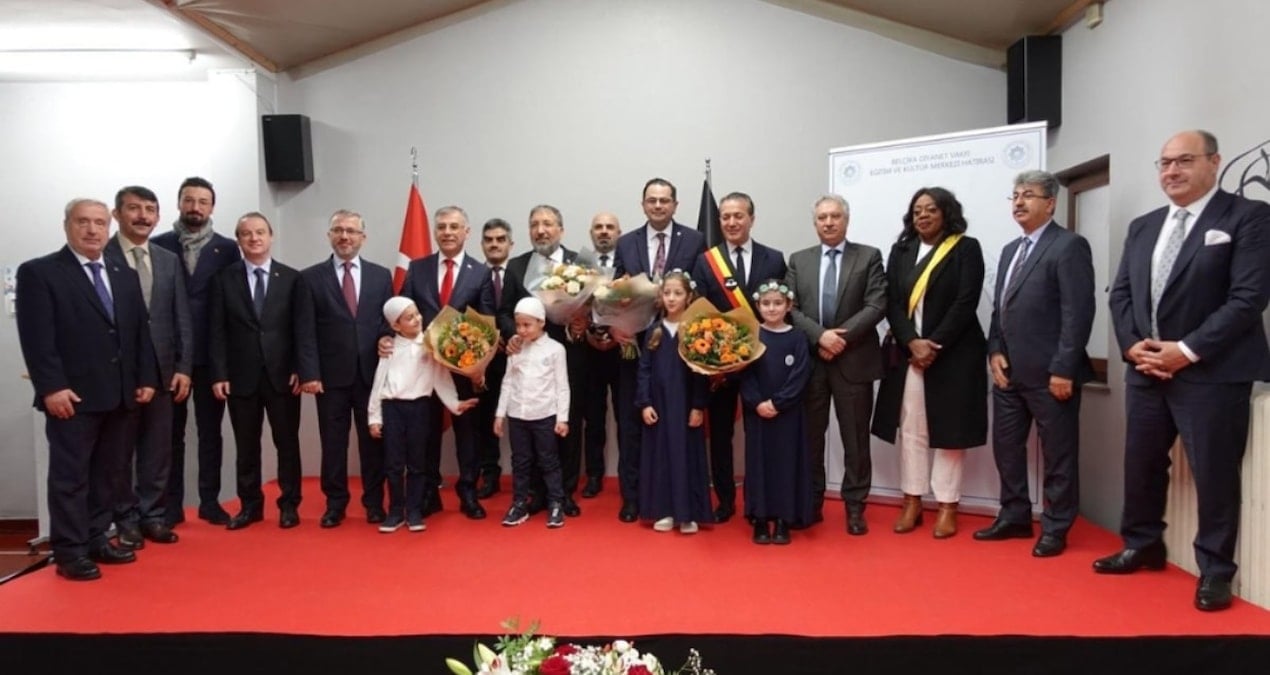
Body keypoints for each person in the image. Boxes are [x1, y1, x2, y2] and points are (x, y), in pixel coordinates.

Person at [1096, 130, 1270, 612]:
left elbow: (1248, 299)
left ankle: (1215, 570)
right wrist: (1132, 346)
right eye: (1165, 163)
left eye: (1184, 161)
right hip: (1146, 369)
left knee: (1215, 474)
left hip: (1212, 372)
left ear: (1214, 162)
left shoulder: (1248, 216)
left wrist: (1187, 350)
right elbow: (1121, 294)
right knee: (1142, 465)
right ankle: (1142, 544)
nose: (1171, 171)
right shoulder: (1145, 225)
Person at [17, 198, 158, 580]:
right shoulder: (40, 273)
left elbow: (138, 332)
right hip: (72, 397)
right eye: (83, 222)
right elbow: (37, 339)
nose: (92, 230)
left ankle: (97, 538)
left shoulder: (123, 273)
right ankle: (69, 551)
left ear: (109, 227)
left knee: (109, 474)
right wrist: (52, 388)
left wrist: (146, 378)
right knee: (71, 477)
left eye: (99, 222)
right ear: (67, 225)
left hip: (121, 394)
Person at [974, 170, 1094, 558]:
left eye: (1028, 195)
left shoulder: (1069, 246)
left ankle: (1056, 526)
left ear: (1051, 203)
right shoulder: (1011, 249)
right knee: (1006, 449)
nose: (1019, 202)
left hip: (1051, 375)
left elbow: (1078, 313)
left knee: (1059, 455)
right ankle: (1015, 516)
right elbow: (1000, 309)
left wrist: (1064, 368)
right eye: (1014, 196)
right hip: (1008, 373)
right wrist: (994, 350)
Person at [870, 187, 987, 539]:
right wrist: (911, 342)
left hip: (954, 353)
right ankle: (912, 500)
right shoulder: (901, 250)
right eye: (917, 210)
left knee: (950, 431)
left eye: (931, 209)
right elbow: (892, 301)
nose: (922, 215)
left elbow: (966, 302)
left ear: (946, 213)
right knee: (912, 428)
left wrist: (933, 344)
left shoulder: (966, 248)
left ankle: (948, 504)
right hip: (910, 353)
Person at [209, 212, 319, 530]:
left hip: (283, 376)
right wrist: (219, 374)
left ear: (271, 237)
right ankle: (250, 506)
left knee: (287, 443)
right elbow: (216, 331)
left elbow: (302, 328)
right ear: (239, 240)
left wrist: (301, 368)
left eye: (260, 232)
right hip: (240, 377)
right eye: (247, 233)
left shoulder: (292, 278)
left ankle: (289, 505)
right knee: (246, 446)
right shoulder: (223, 279)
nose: (254, 238)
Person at [785, 194, 886, 534]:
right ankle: (811, 503)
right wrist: (821, 337)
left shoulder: (869, 256)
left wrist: (840, 339)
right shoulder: (799, 260)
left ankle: (855, 507)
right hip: (812, 363)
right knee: (811, 439)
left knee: (855, 440)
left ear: (846, 219)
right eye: (822, 217)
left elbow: (876, 305)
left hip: (853, 361)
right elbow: (790, 308)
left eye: (835, 216)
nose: (828, 222)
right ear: (815, 223)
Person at [611, 178, 706, 522]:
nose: (658, 205)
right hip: (634, 345)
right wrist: (615, 324)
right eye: (651, 200)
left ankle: (679, 499)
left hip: (680, 345)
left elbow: (702, 289)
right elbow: (614, 291)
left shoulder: (694, 240)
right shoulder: (626, 242)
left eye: (664, 200)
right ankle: (634, 498)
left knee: (677, 425)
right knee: (632, 423)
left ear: (675, 205)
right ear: (643, 204)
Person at [690, 191, 787, 523]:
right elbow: (700, 315)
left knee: (763, 434)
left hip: (764, 364)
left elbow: (781, 312)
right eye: (725, 217)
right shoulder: (706, 261)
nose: (732, 222)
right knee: (721, 436)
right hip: (722, 366)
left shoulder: (774, 259)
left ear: (751, 219)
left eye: (738, 216)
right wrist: (720, 360)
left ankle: (762, 500)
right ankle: (726, 500)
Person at [395, 206, 496, 519]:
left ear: (467, 231)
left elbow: (487, 322)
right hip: (422, 367)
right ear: (435, 232)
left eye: (454, 226)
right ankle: (428, 494)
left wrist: (478, 367)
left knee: (468, 435)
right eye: (442, 227)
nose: (448, 232)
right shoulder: (418, 267)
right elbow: (403, 310)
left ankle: (468, 493)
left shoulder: (480, 272)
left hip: (463, 367)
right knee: (424, 433)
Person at [105, 186, 192, 548]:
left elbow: (180, 316)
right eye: (134, 208)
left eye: (149, 209)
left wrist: (184, 366)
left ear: (158, 216)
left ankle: (152, 516)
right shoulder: (102, 255)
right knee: (119, 452)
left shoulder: (167, 259)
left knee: (158, 450)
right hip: (119, 372)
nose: (142, 216)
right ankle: (124, 520)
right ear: (117, 214)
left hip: (163, 371)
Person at [151, 177, 241, 527]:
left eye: (203, 202)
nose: (195, 208)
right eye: (189, 200)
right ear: (178, 203)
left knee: (210, 433)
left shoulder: (227, 249)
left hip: (210, 356)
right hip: (168, 358)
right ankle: (170, 505)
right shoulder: (158, 246)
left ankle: (209, 501)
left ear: (212, 207)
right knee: (169, 435)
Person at [300, 210, 394, 528]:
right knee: (333, 443)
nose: (345, 236)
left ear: (363, 238)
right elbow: (305, 330)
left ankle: (374, 503)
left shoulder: (381, 276)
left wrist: (386, 337)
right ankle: (335, 504)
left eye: (351, 231)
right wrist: (310, 373)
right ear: (329, 235)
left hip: (371, 374)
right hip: (330, 378)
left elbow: (387, 322)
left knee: (373, 443)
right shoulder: (311, 278)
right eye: (338, 230)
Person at [496, 205, 585, 517]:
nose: (541, 230)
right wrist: (514, 334)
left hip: (569, 356)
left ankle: (565, 493)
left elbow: (592, 308)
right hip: (527, 361)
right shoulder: (517, 266)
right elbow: (504, 312)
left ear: (561, 229)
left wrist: (582, 323)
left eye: (547, 224)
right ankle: (535, 493)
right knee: (531, 429)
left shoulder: (579, 264)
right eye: (534, 224)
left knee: (567, 424)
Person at [368, 297, 477, 533]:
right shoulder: (389, 347)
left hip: (420, 408)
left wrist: (455, 404)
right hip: (393, 409)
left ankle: (414, 510)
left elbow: (441, 378)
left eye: (417, 314)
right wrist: (374, 417)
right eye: (409, 318)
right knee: (394, 464)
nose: (417, 319)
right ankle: (395, 511)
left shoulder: (430, 344)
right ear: (395, 325)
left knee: (418, 463)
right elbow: (379, 383)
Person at [636, 270, 711, 534]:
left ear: (688, 297)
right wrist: (645, 403)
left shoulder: (696, 331)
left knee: (686, 455)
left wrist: (698, 406)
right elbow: (644, 369)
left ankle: (689, 514)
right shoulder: (653, 331)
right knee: (661, 456)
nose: (671, 298)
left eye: (677, 293)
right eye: (667, 293)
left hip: (685, 406)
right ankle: (664, 510)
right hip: (659, 406)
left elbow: (702, 372)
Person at [739, 280, 813, 545]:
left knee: (786, 462)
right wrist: (757, 402)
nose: (772, 308)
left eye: (778, 303)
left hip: (787, 414)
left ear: (788, 305)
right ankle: (759, 517)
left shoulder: (797, 337)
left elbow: (800, 374)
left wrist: (779, 403)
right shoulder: (751, 335)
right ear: (758, 306)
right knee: (758, 462)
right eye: (766, 303)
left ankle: (783, 517)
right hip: (757, 412)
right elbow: (745, 373)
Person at [495, 297, 570, 529]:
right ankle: (519, 503)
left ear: (542, 322)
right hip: (518, 415)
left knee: (549, 461)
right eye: (518, 325)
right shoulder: (515, 348)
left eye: (527, 325)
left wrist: (562, 418)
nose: (521, 330)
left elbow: (562, 386)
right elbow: (508, 382)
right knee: (520, 462)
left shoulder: (555, 349)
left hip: (544, 415)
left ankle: (556, 503)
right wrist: (500, 414)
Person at [581, 212, 622, 498]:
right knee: (593, 419)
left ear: (619, 233)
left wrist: (620, 331)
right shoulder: (579, 266)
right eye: (598, 227)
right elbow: (572, 306)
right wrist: (585, 331)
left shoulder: (629, 263)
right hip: (589, 352)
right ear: (591, 233)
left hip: (623, 351)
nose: (604, 232)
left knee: (625, 418)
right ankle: (594, 475)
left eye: (609, 227)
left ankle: (630, 477)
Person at [474, 218, 514, 500]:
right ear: (482, 245)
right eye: (489, 240)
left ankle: (530, 476)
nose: (494, 244)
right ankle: (489, 474)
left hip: (518, 355)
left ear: (510, 244)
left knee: (527, 417)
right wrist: (488, 342)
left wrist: (510, 336)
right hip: (484, 362)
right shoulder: (474, 275)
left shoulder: (522, 273)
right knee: (485, 419)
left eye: (500, 239)